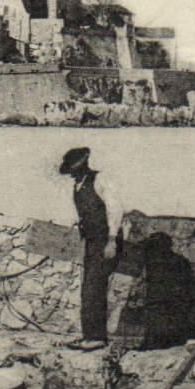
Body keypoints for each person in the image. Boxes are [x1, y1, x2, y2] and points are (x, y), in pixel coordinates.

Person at [59, 146, 125, 350]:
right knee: (88, 288)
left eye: (74, 170)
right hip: (91, 241)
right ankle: (88, 336)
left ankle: (97, 338)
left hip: (105, 240)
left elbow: (115, 210)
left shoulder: (100, 180)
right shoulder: (78, 186)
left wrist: (112, 240)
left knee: (94, 287)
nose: (72, 174)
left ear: (83, 166)